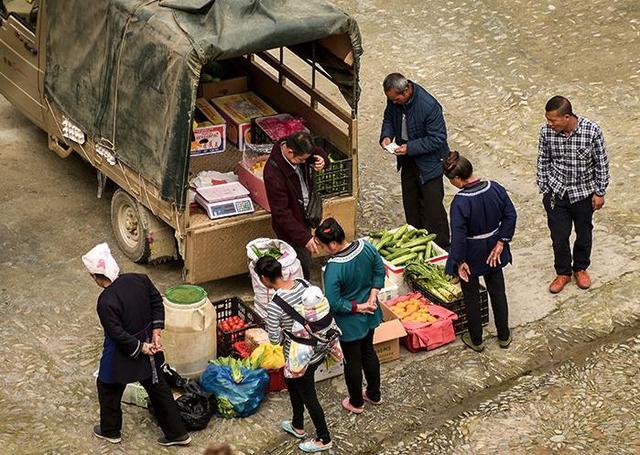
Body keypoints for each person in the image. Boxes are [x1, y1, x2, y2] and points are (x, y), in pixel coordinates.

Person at [82, 243, 190, 447]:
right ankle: (177, 433)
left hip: (123, 354)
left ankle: (110, 431)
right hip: (150, 347)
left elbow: (117, 333)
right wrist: (156, 334)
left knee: (108, 387)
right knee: (158, 388)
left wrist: (141, 347)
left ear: (96, 277)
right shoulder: (139, 279)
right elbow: (157, 302)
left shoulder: (106, 301)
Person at [255, 256, 334, 453]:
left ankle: (324, 438)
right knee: (291, 383)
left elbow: (274, 339)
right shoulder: (303, 283)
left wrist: (284, 332)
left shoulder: (274, 306)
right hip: (319, 347)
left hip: (300, 357)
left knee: (309, 396)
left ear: (264, 279)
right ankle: (297, 425)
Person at [443, 152, 517, 352]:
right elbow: (510, 215)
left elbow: (458, 236)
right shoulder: (495, 188)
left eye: (451, 180)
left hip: (471, 253)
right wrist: (501, 242)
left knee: (471, 297)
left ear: (457, 179)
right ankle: (504, 336)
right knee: (498, 291)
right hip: (494, 248)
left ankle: (476, 340)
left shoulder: (460, 202)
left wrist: (458, 262)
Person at [537, 96, 610, 293]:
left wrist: (600, 192)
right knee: (559, 236)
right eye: (548, 120)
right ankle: (563, 272)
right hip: (556, 193)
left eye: (553, 120)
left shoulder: (591, 132)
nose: (549, 124)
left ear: (567, 117)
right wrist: (544, 187)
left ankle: (580, 268)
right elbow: (543, 160)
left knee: (584, 233)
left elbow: (601, 163)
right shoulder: (546, 133)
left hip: (583, 194)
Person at [315, 218, 385, 414]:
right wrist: (371, 299)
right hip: (371, 313)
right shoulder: (366, 247)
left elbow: (334, 302)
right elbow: (379, 271)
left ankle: (356, 402)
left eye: (321, 245)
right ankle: (374, 393)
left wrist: (358, 307)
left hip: (349, 323)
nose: (321, 249)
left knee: (352, 361)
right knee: (369, 352)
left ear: (333, 244)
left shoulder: (334, 267)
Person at [379, 72, 451, 248]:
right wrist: (387, 136)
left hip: (430, 163)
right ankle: (417, 240)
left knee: (433, 208)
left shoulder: (429, 106)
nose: (393, 102)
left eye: (396, 99)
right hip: (408, 160)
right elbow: (389, 118)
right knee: (411, 204)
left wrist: (410, 147)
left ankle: (441, 245)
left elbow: (438, 138)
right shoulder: (394, 100)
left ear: (405, 92)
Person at [263, 131, 327, 279]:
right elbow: (281, 213)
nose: (304, 162)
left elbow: (316, 152)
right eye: (300, 159)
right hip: (291, 228)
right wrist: (304, 237)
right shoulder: (273, 174)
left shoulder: (297, 145)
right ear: (290, 152)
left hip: (304, 214)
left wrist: (322, 159)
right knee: (300, 263)